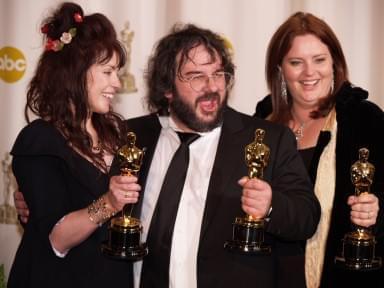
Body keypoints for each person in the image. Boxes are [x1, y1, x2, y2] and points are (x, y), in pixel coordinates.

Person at [14, 23, 321, 288]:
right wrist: (34, 203)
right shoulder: (128, 137)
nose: (211, 86)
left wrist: (271, 206)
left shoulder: (268, 139)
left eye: (218, 74)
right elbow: (76, 192)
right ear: (167, 89)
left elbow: (306, 216)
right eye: (195, 76)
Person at [8, 2, 140, 287]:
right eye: (107, 72)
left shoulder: (117, 134)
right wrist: (109, 203)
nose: (117, 83)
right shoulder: (40, 140)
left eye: (117, 72)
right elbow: (57, 238)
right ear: (76, 73)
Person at [254, 11, 384, 288]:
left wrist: (377, 210)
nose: (309, 72)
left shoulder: (364, 120)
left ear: (335, 63)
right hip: (268, 275)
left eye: (319, 60)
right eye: (296, 62)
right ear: (280, 69)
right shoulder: (260, 125)